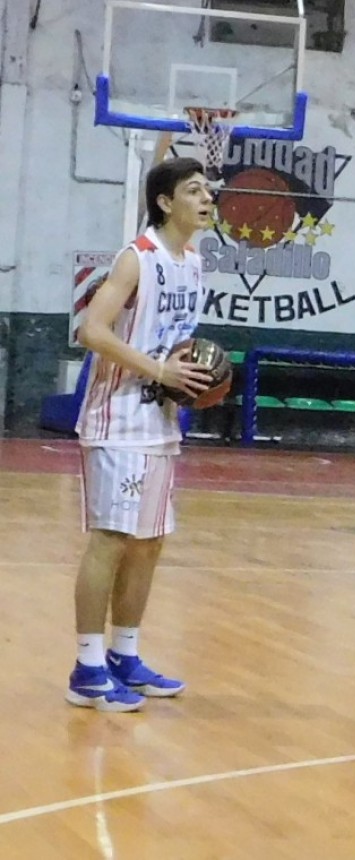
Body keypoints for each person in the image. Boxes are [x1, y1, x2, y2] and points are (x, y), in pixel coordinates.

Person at [68, 157, 215, 712]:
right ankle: (86, 666)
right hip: (116, 417)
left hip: (158, 421)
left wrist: (187, 377)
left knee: (149, 543)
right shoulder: (137, 258)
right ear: (164, 202)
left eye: (208, 191)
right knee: (111, 538)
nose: (207, 199)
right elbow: (90, 330)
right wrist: (159, 372)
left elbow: (171, 339)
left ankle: (124, 654)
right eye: (194, 190)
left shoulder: (194, 262)